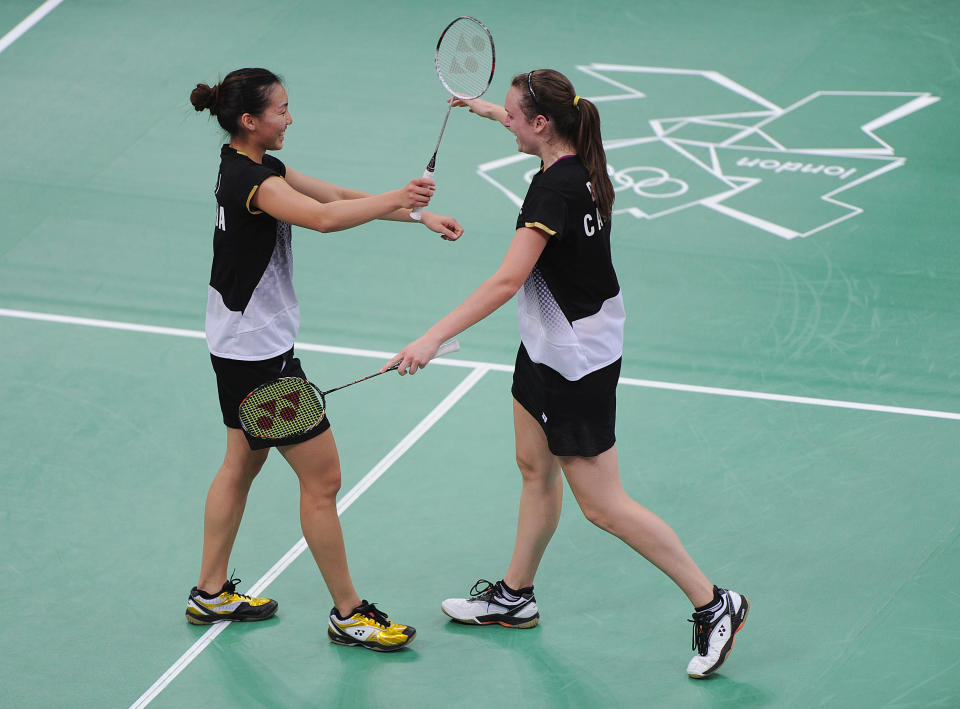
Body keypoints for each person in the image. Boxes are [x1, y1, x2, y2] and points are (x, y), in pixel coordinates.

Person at [383, 69, 748, 677]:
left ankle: (715, 602)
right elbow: (528, 128)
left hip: (576, 358)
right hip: (547, 343)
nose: (508, 122)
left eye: (513, 116)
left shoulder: (553, 192)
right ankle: (515, 596)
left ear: (543, 124)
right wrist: (484, 109)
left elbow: (508, 279)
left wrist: (432, 339)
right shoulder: (581, 159)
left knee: (603, 506)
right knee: (534, 466)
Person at [186, 67, 463, 652]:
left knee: (242, 463)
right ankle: (349, 612)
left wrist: (416, 215)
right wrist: (401, 196)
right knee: (323, 480)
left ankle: (210, 592)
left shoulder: (255, 166)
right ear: (249, 120)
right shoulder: (252, 183)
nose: (290, 118)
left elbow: (334, 196)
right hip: (259, 357)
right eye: (281, 109)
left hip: (238, 345)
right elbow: (324, 220)